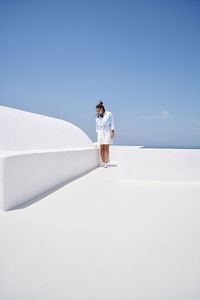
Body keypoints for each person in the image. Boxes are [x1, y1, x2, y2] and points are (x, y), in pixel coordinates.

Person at [96, 101, 115, 168]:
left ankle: (106, 163)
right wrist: (99, 116)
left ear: (101, 108)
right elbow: (97, 125)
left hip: (107, 131)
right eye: (97, 111)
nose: (97, 111)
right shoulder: (98, 116)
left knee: (106, 148)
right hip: (100, 132)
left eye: (98, 110)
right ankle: (103, 162)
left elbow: (112, 123)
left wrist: (113, 132)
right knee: (101, 148)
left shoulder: (109, 114)